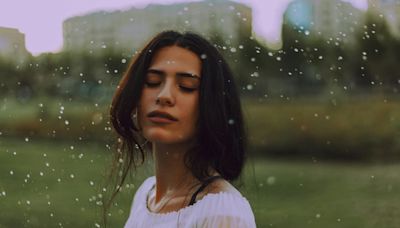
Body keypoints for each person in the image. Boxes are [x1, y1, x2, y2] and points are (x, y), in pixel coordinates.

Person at [109, 30, 256, 228]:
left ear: (212, 105)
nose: (164, 95)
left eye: (187, 86)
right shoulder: (146, 196)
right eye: (152, 81)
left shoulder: (222, 213)